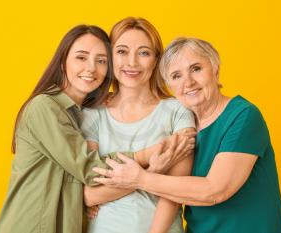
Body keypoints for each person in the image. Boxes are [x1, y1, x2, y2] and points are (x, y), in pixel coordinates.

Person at [0, 25, 190, 233]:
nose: (91, 68)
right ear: (63, 61)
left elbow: (87, 186)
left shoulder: (81, 113)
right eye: (81, 57)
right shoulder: (45, 107)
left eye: (101, 61)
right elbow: (91, 170)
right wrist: (153, 162)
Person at [92, 37, 281, 233]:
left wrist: (140, 178)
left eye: (196, 69)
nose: (188, 82)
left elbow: (216, 190)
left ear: (215, 69)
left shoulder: (242, 116)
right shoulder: (185, 125)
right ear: (170, 86)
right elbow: (173, 188)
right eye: (176, 76)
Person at [81, 17, 196, 233]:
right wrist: (154, 170)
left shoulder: (177, 110)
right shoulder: (92, 114)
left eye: (144, 53)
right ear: (110, 57)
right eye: (122, 51)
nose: (132, 63)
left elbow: (176, 190)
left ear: (156, 60)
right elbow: (89, 194)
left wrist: (132, 179)